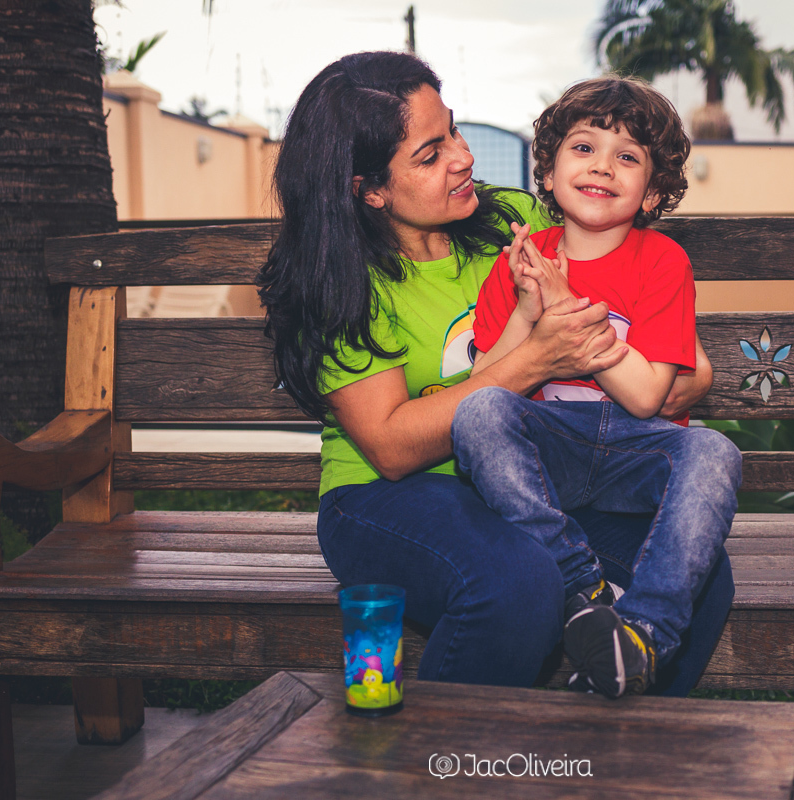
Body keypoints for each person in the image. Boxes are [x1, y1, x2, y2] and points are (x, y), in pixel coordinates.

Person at [257, 50, 732, 696]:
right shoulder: (339, 284)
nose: (463, 157)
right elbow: (392, 448)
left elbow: (651, 327)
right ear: (367, 188)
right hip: (388, 496)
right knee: (517, 581)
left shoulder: (512, 222)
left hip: (532, 481)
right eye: (430, 155)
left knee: (705, 577)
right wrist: (536, 358)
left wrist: (683, 375)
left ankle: (609, 742)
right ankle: (447, 769)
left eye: (451, 129)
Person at [453, 77, 742, 698]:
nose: (602, 167)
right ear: (550, 173)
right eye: (583, 149)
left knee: (716, 451)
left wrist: (567, 306)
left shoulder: (662, 261)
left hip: (635, 450)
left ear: (653, 191)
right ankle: (580, 590)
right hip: (548, 454)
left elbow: (645, 397)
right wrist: (530, 315)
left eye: (628, 157)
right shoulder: (520, 261)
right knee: (479, 415)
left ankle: (638, 634)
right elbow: (479, 394)